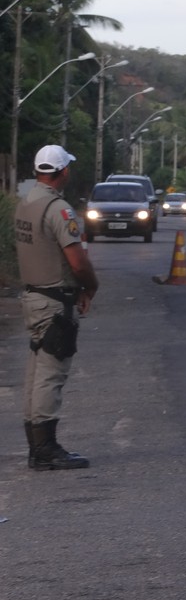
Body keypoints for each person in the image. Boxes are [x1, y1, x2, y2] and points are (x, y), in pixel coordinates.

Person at [14, 144, 99, 471]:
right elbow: (77, 261)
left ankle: (37, 447)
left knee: (37, 371)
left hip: (32, 297)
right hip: (54, 301)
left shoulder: (26, 203)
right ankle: (46, 449)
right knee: (51, 374)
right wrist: (91, 286)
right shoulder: (58, 209)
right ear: (62, 172)